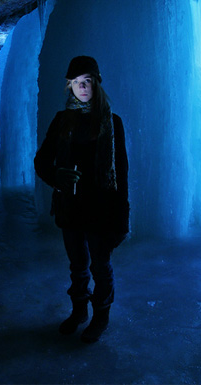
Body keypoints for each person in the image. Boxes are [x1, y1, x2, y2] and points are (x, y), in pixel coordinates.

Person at [34, 55, 129, 343]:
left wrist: (122, 219)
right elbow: (41, 161)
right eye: (76, 82)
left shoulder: (112, 123)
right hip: (71, 207)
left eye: (87, 81)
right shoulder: (62, 121)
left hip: (101, 209)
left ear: (96, 83)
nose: (82, 87)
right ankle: (79, 312)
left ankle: (100, 316)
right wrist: (56, 176)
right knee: (78, 266)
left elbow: (122, 173)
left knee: (100, 266)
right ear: (70, 87)